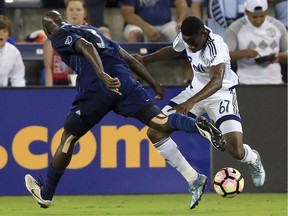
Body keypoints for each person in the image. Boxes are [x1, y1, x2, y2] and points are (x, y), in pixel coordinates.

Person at [24, 10, 226, 210]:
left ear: (46, 31)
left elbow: (84, 46)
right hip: (124, 79)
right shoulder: (92, 29)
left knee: (68, 138)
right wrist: (153, 83)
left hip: (98, 86)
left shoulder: (58, 34)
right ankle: (198, 126)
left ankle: (46, 193)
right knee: (161, 122)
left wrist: (102, 74)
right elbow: (127, 57)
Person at [133, 16, 266, 208]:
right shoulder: (187, 38)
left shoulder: (216, 46)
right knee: (155, 130)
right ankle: (193, 178)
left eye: (193, 41)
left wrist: (191, 102)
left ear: (204, 33)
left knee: (235, 150)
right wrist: (144, 60)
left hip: (221, 94)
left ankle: (253, 158)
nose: (190, 45)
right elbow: (172, 50)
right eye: (187, 41)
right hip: (194, 92)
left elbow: (216, 81)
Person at [119, 0, 193, 85]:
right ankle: (135, 80)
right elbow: (127, 13)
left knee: (185, 37)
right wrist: (147, 28)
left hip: (166, 24)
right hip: (138, 25)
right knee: (135, 33)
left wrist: (181, 21)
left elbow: (181, 2)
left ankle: (188, 80)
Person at [224, 0, 287, 84]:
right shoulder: (235, 28)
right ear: (246, 12)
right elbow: (224, 56)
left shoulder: (278, 26)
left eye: (262, 16)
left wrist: (279, 56)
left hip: (275, 81)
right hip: (245, 82)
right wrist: (243, 53)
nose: (258, 21)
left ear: (266, 12)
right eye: (254, 17)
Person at [43, 0, 88, 86]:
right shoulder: (53, 37)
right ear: (66, 12)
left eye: (78, 10)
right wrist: (49, 92)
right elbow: (48, 69)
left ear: (85, 13)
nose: (74, 13)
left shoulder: (92, 34)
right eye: (71, 10)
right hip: (58, 85)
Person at [0, 15, 25, 87]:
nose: (1, 34)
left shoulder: (13, 52)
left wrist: (18, 95)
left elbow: (18, 78)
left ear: (8, 35)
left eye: (4, 31)